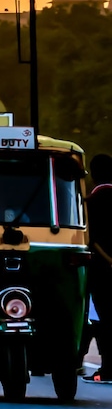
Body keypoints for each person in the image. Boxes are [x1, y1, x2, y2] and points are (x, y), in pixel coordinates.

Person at [86, 154, 112, 382]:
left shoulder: (91, 203)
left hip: (102, 269)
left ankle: (107, 366)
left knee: (101, 319)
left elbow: (90, 238)